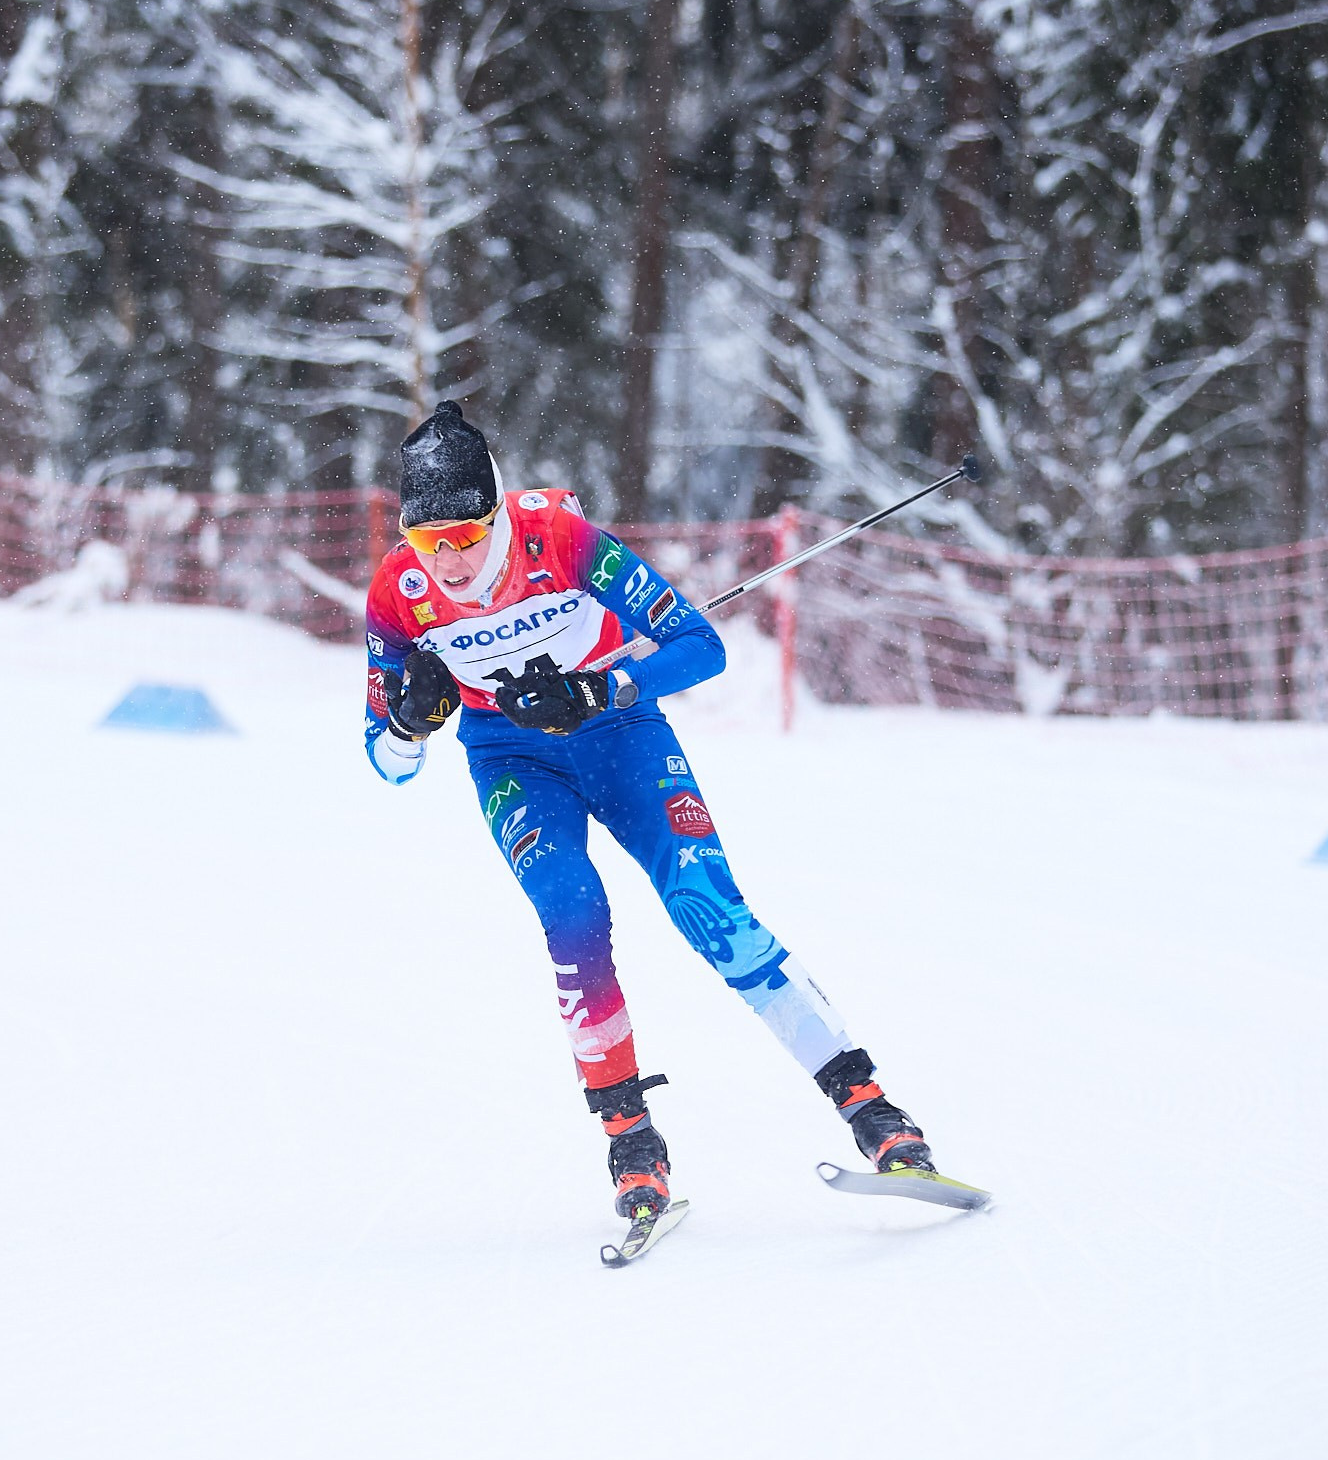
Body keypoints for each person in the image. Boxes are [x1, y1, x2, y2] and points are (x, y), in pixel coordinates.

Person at [360, 400, 948, 1225]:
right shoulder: (401, 594)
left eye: (466, 534)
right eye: (429, 541)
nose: (450, 561)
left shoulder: (560, 542)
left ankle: (874, 1109)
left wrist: (601, 686)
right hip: (514, 761)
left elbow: (699, 645)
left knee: (707, 905)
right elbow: (385, 764)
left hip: (621, 733)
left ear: (497, 512)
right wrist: (408, 720)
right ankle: (632, 1143)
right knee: (572, 913)